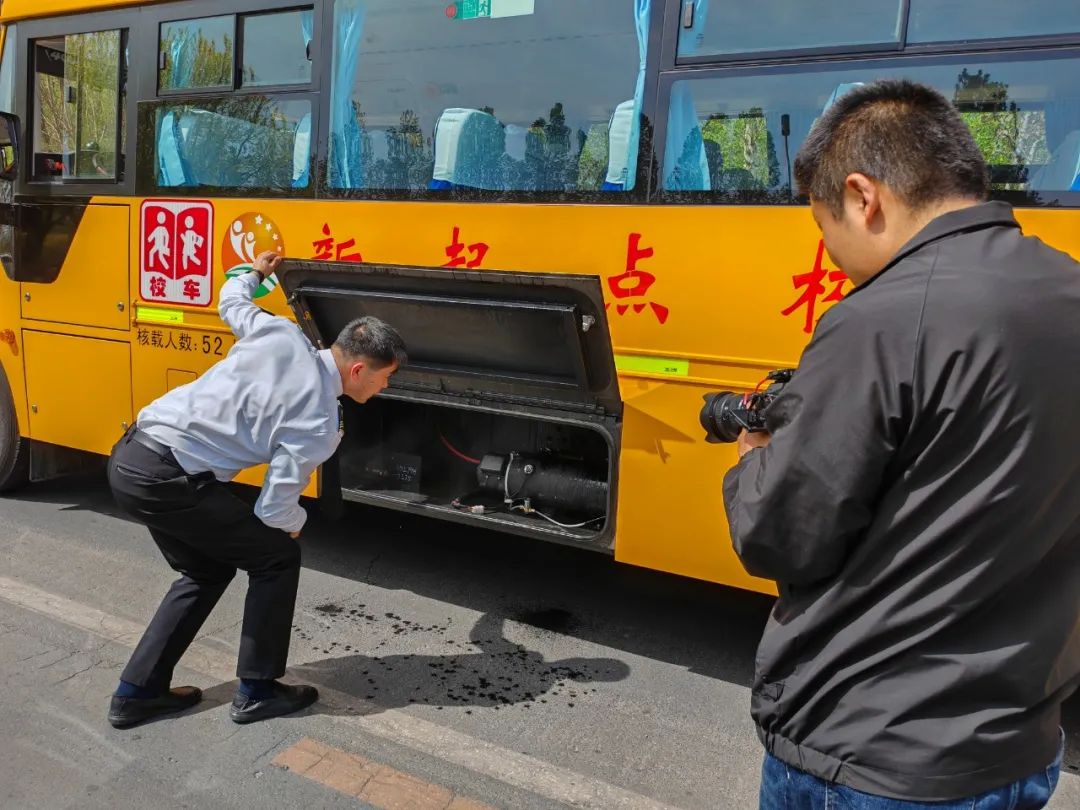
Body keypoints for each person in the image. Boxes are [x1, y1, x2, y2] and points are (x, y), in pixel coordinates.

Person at [722, 79, 1080, 809]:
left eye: (825, 228)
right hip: (1017, 744)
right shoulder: (1066, 289)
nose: (833, 257)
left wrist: (755, 454)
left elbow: (781, 537)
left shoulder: (883, 318)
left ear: (863, 197)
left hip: (872, 752)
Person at [106, 250, 407, 728]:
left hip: (131, 458)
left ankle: (137, 693)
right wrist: (291, 528)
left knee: (205, 571)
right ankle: (257, 691)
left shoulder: (281, 333)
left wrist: (255, 272)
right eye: (384, 378)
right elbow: (275, 505)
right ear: (357, 371)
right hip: (169, 479)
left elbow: (231, 299)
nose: (383, 388)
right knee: (276, 558)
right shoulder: (319, 419)